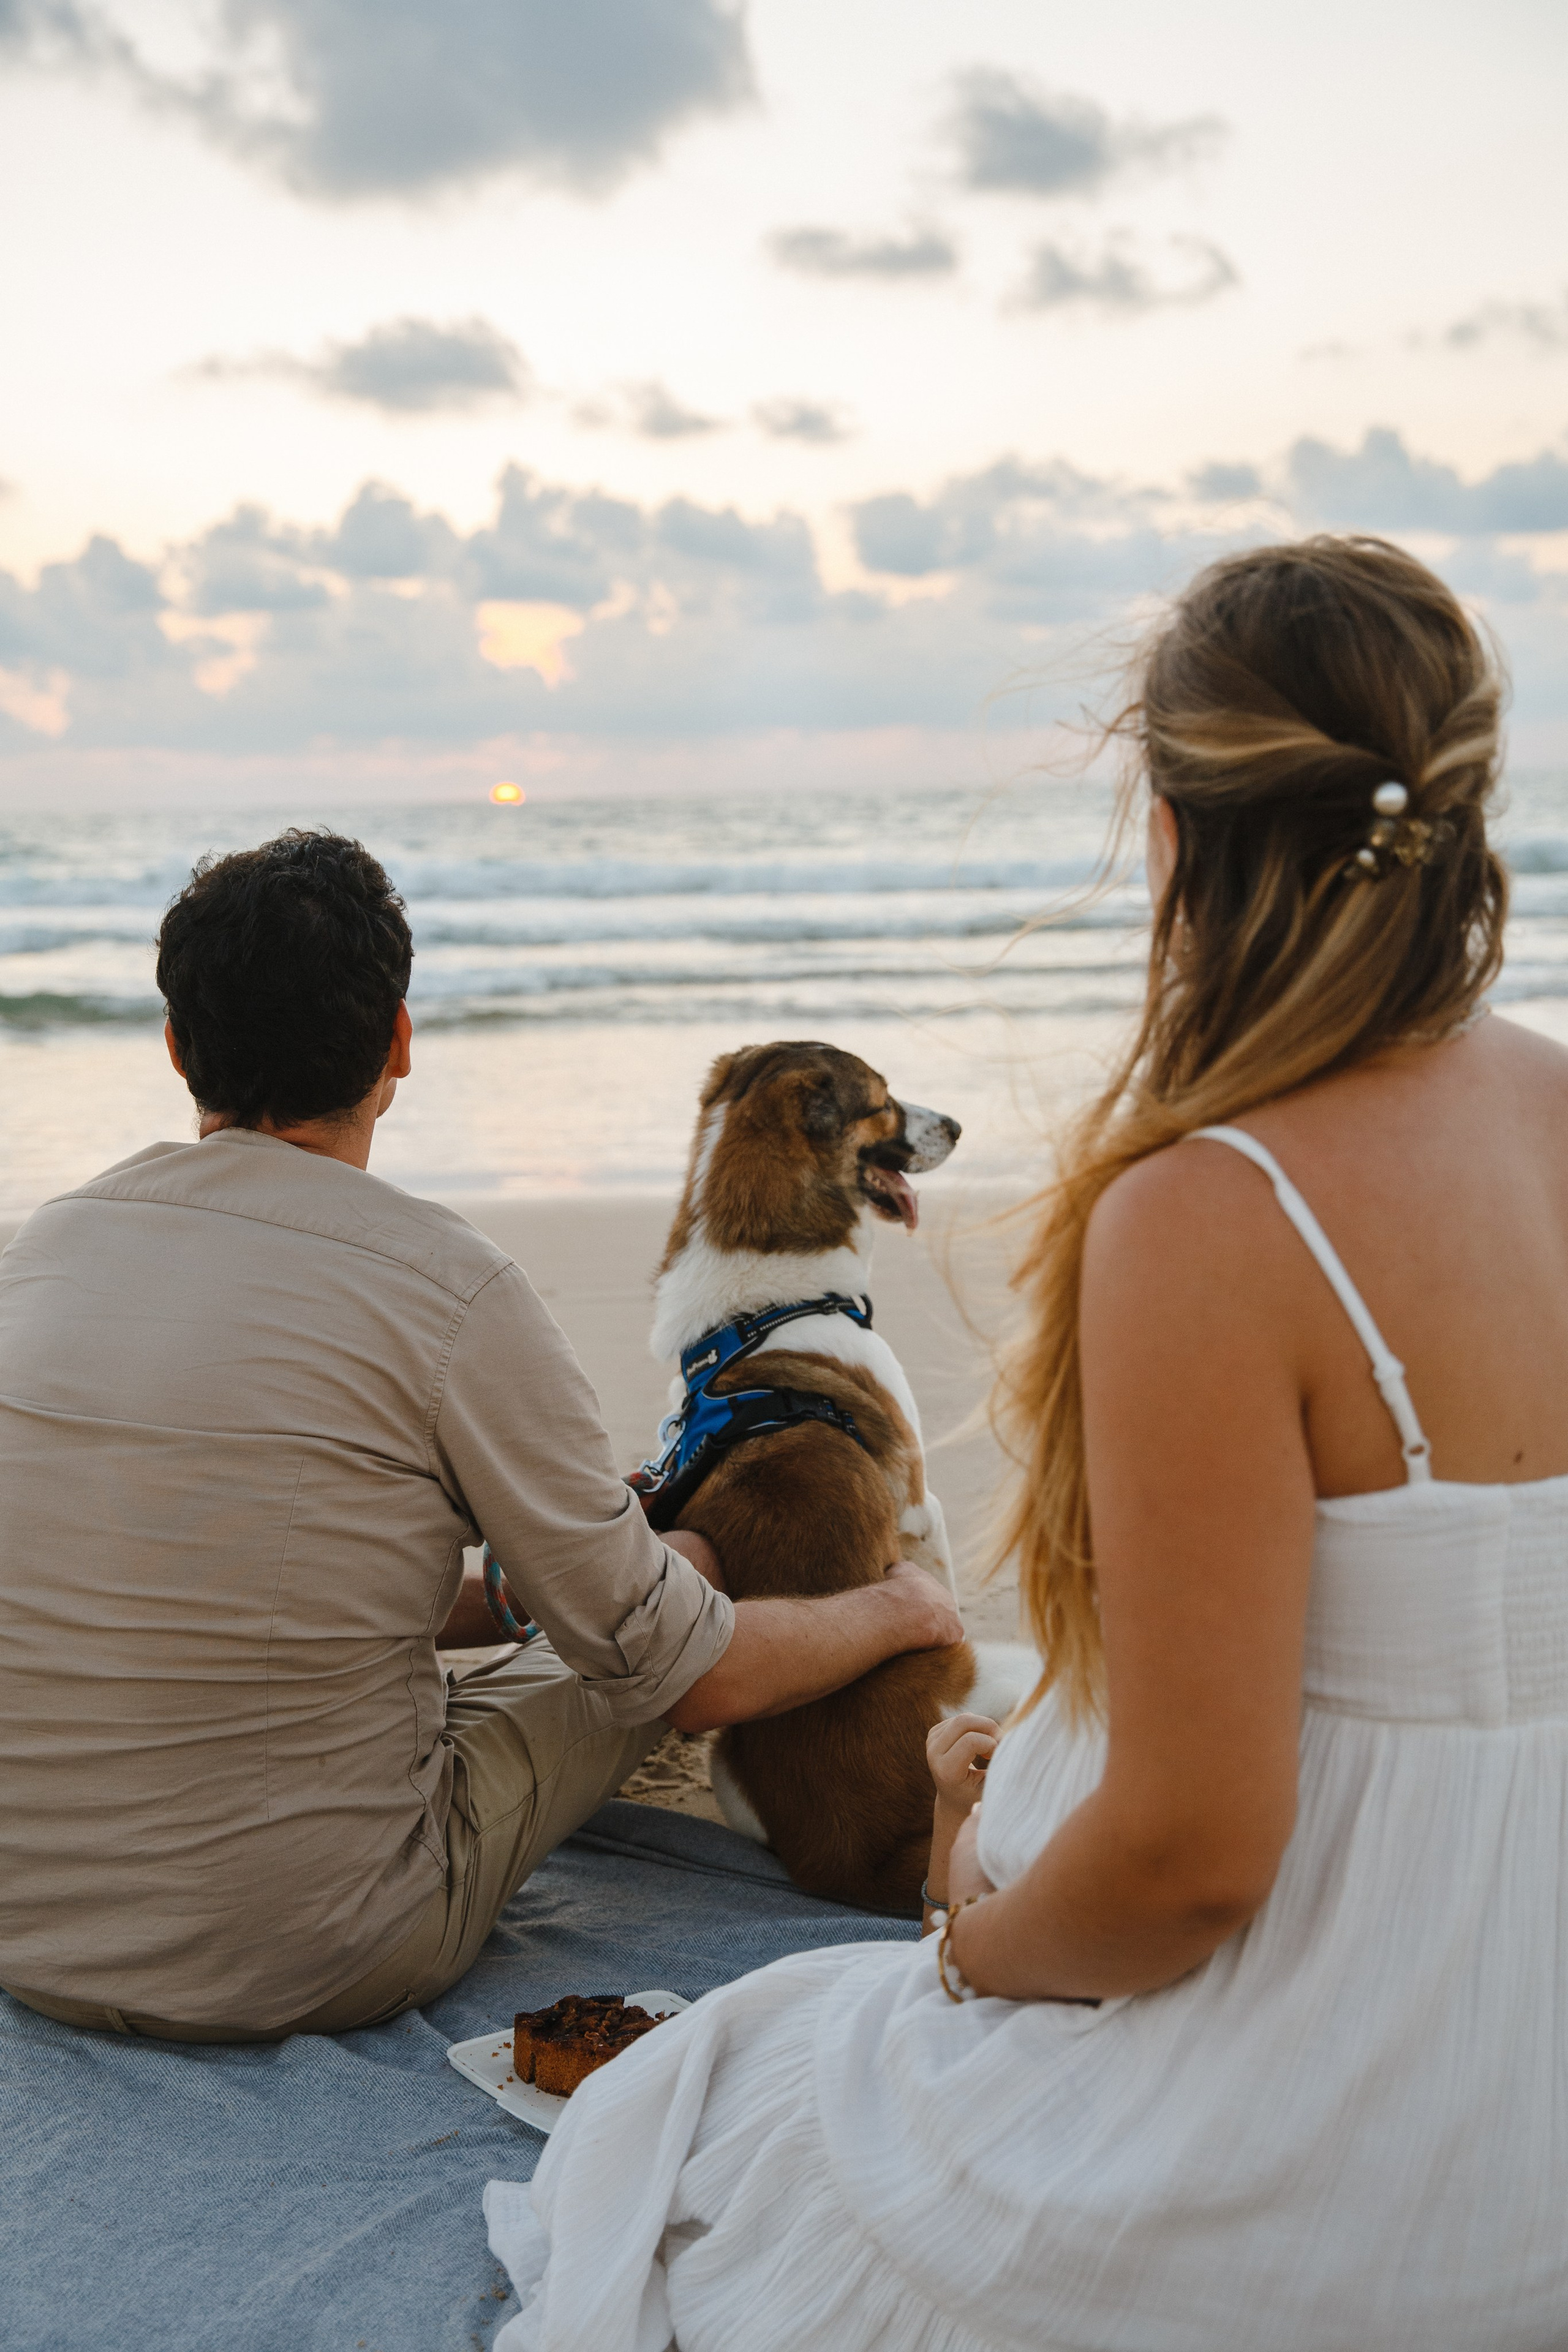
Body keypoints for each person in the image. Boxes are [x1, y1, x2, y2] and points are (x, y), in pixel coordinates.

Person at [487, 535, 1568, 2352]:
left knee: (728, 2096)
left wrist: (970, 1932)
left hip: (1331, 2145)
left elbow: (1195, 1861)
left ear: (1171, 831)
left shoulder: (1210, 1215)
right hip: (1532, 2067)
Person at [0, 831, 960, 2043]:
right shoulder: (448, 1288)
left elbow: (222, 1572)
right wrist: (899, 1610)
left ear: (179, 1046)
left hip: (31, 1931)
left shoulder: (44, 1254)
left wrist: (505, 1596)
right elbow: (685, 1672)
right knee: (671, 1596)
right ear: (398, 1043)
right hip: (309, 1951)